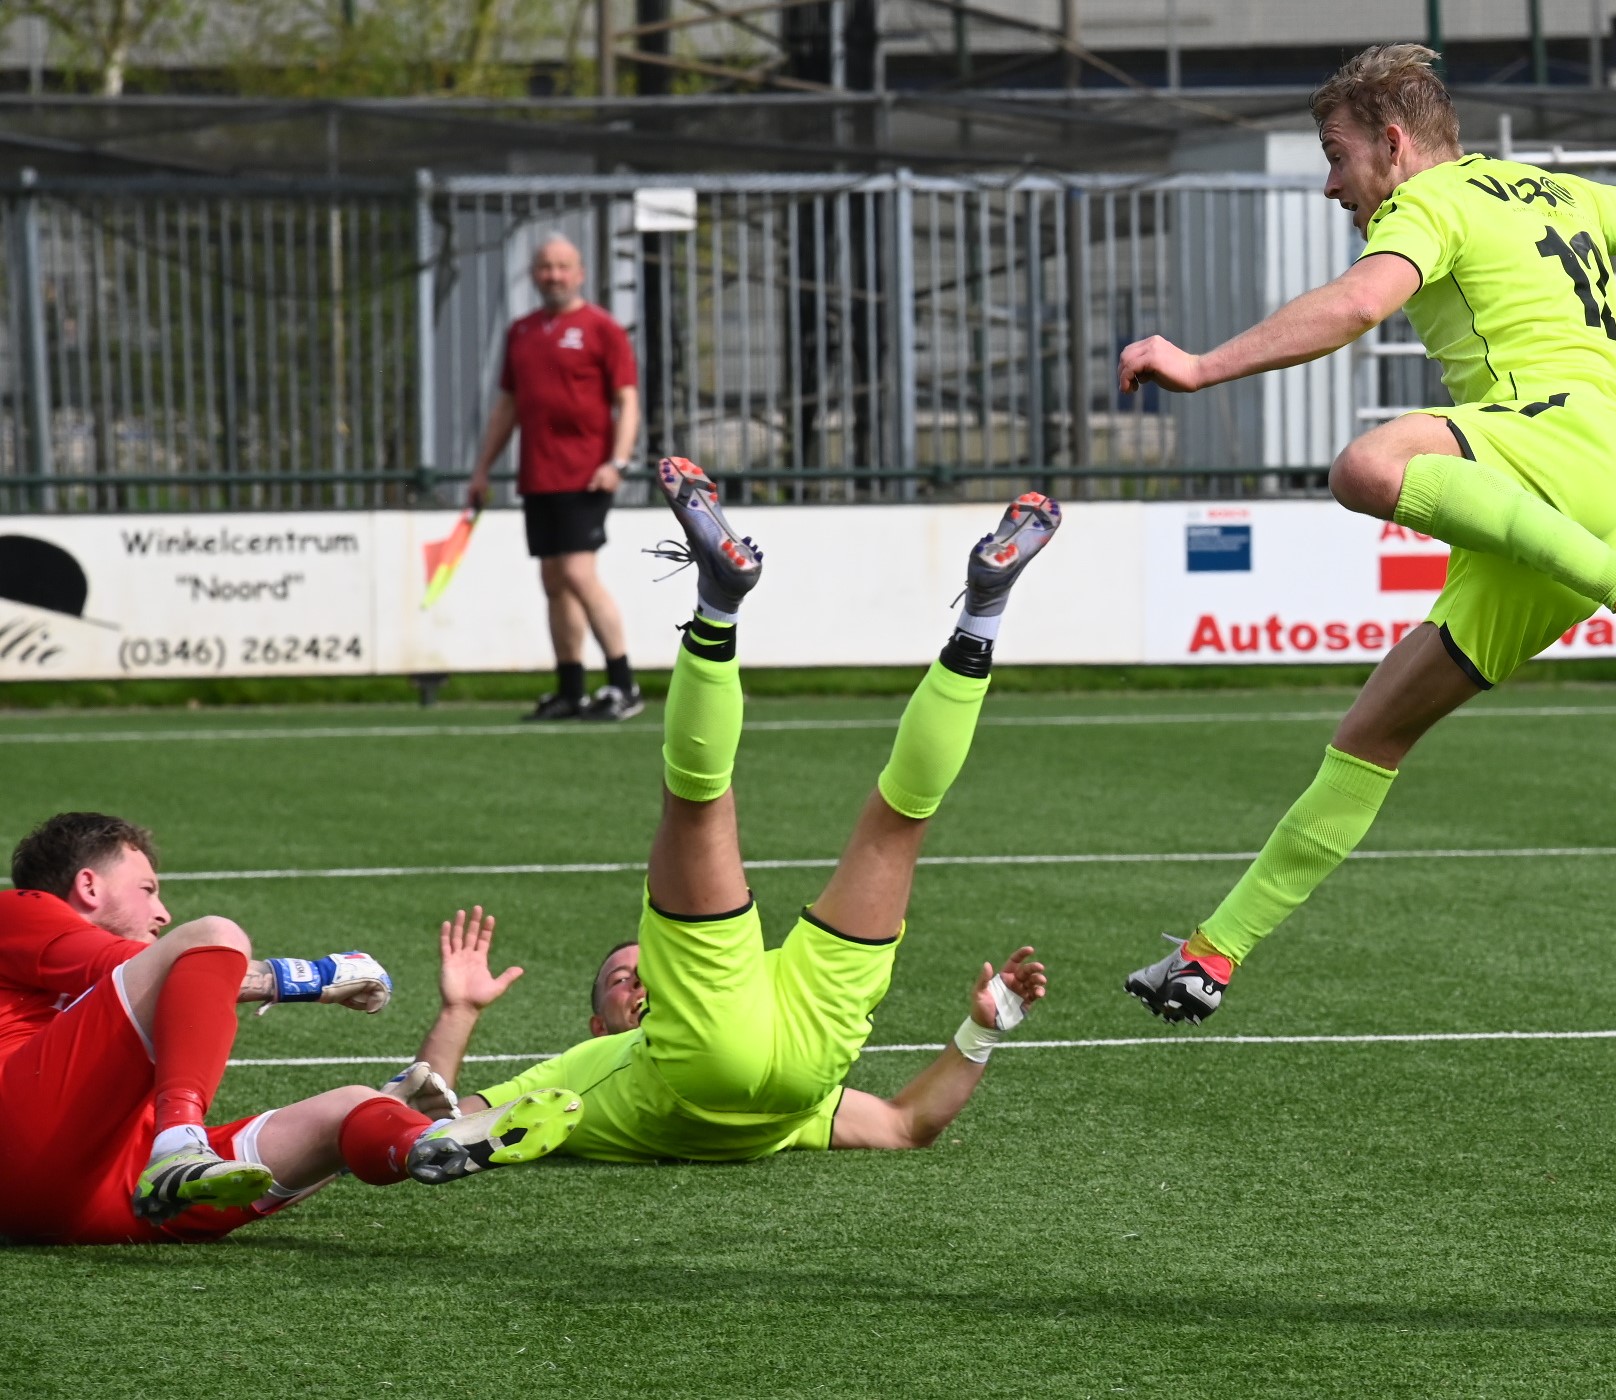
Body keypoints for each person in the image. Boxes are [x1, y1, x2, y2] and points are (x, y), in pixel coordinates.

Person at [1114, 42, 1616, 1022]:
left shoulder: (1426, 205)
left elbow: (1359, 302)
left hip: (1541, 453)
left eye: (1336, 153)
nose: (1331, 184)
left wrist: (1198, 365)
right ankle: (1211, 955)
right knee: (1371, 735)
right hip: (1577, 505)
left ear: (1393, 144)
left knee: (1366, 467)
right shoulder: (1546, 189)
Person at [411, 457, 1054, 1165]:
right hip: (776, 1046)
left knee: (811, 808)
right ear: (600, 1025)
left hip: (777, 1046)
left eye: (641, 969)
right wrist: (983, 1031)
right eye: (625, 981)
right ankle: (756, 603)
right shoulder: (573, 1074)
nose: (640, 979)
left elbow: (903, 1128)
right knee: (866, 819)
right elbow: (910, 1124)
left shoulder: (597, 1072)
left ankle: (977, 612)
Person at [0, 814, 582, 1246]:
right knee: (214, 935)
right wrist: (319, 976)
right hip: (22, 1142)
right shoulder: (16, 911)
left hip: (110, 1196)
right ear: (88, 886)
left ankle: (422, 1143)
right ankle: (180, 1143)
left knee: (352, 1107)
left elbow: (175, 975)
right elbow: (160, 965)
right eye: (148, 889)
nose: (162, 912)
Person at [466, 234, 645, 723]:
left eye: (563, 266)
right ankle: (571, 687)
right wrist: (482, 468)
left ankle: (623, 684)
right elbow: (508, 406)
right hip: (537, 475)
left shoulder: (602, 329)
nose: (554, 275)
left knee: (578, 574)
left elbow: (627, 400)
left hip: (586, 474)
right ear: (534, 273)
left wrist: (619, 462)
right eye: (545, 267)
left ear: (580, 272)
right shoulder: (522, 332)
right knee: (553, 581)